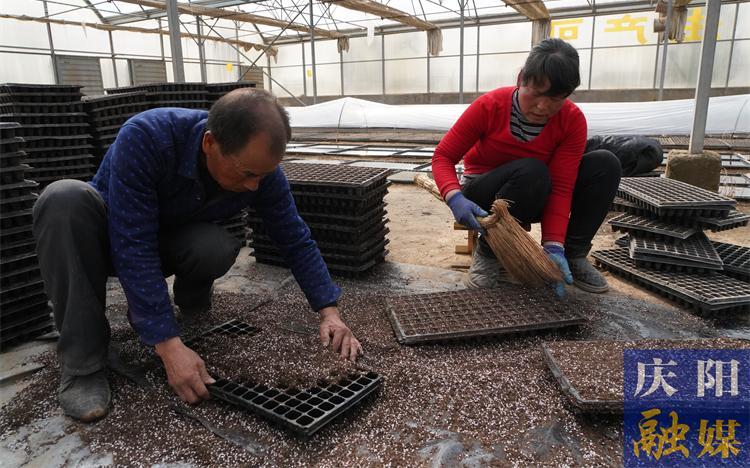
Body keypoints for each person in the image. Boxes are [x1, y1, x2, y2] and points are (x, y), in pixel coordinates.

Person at [32, 88, 362, 423]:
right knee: (64, 199)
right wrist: (168, 345)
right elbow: (133, 242)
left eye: (262, 175)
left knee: (215, 245)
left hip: (167, 239)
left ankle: (190, 303)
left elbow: (294, 237)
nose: (254, 186)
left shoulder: (259, 173)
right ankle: (82, 365)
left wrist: (329, 311)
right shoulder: (147, 136)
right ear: (209, 144)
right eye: (247, 173)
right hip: (108, 239)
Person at [432, 38, 621, 297]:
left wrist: (553, 246)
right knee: (532, 170)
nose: (543, 107)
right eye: (536, 94)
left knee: (604, 163)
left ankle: (573, 255)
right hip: (483, 194)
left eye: (555, 99)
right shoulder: (491, 105)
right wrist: (454, 197)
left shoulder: (571, 120)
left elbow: (562, 187)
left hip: (533, 192)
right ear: (522, 78)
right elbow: (443, 156)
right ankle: (490, 252)